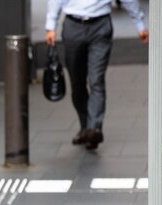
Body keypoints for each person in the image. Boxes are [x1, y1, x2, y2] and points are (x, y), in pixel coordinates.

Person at [45, 0, 148, 150]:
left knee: (96, 80)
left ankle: (94, 128)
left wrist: (139, 23)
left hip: (101, 26)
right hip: (73, 25)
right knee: (77, 82)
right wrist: (50, 25)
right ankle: (85, 126)